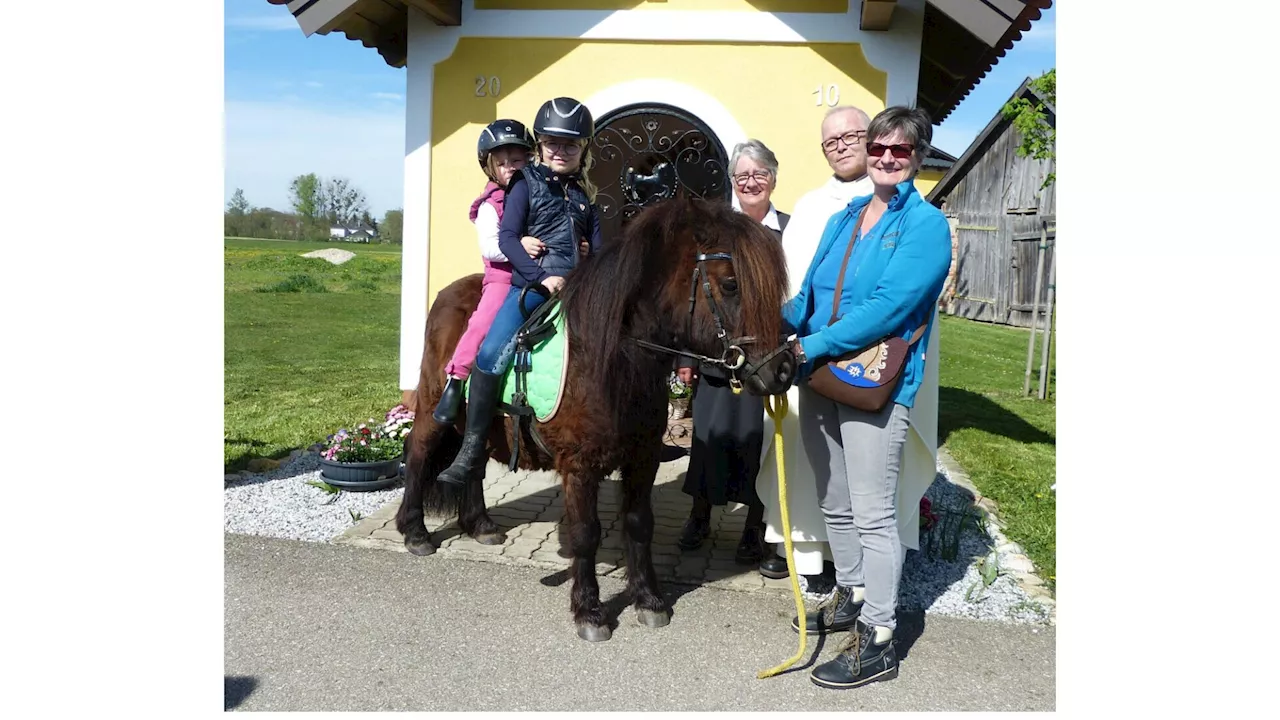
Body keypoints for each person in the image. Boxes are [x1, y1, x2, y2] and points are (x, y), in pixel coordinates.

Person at [780, 106, 951, 690]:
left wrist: (810, 347)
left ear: (917, 157)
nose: (885, 158)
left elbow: (890, 307)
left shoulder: (926, 226)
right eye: (879, 147)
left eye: (900, 151)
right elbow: (809, 293)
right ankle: (853, 592)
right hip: (820, 372)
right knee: (833, 498)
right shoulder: (848, 215)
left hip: (873, 383)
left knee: (874, 513)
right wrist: (771, 322)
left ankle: (879, 639)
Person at [436, 97, 602, 487]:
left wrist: (587, 259)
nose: (561, 151)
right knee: (491, 352)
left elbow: (600, 250)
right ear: (541, 145)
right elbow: (508, 239)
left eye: (571, 144)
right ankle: (472, 449)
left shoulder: (584, 197)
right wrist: (540, 278)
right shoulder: (524, 184)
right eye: (552, 143)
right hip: (530, 287)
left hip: (578, 291)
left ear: (583, 150)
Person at [755, 106, 875, 597]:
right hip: (808, 356)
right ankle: (803, 553)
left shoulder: (891, 200)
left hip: (869, 357)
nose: (842, 145)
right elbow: (790, 285)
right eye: (831, 141)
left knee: (862, 465)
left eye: (853, 136)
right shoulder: (809, 206)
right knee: (806, 460)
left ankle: (862, 565)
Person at [674, 139, 787, 565]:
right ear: (732, 182)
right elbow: (693, 295)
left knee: (759, 445)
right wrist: (686, 357)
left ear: (773, 178)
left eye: (760, 174)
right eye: (743, 176)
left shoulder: (789, 229)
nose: (751, 182)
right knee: (707, 439)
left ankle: (755, 528)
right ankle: (699, 517)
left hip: (768, 356)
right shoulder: (715, 233)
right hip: (718, 357)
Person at [433, 119, 542, 424]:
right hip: (503, 278)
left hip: (538, 274)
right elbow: (490, 249)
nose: (510, 167)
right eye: (503, 162)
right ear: (491, 167)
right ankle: (456, 380)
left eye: (517, 160)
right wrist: (520, 244)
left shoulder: (538, 196)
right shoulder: (489, 206)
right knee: (482, 324)